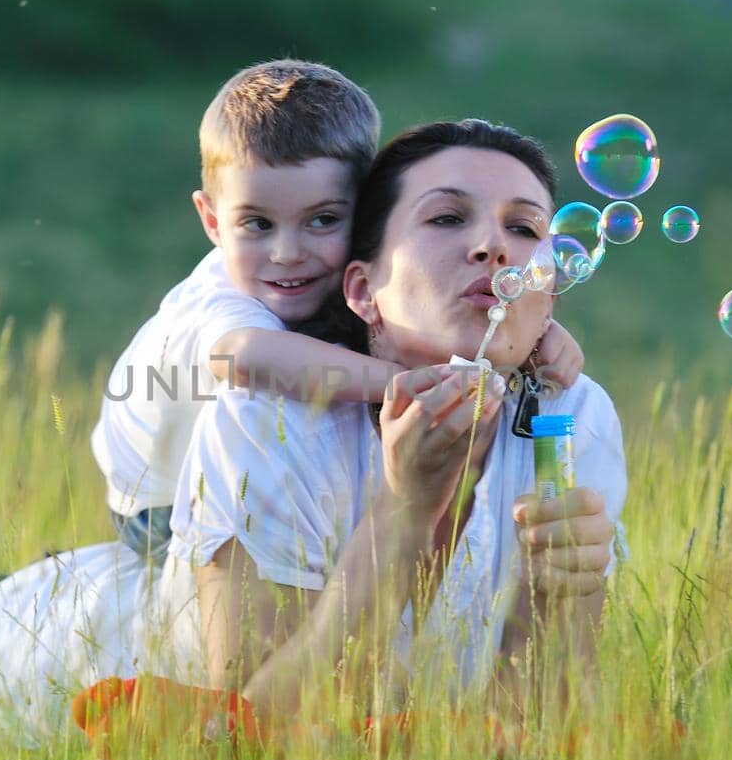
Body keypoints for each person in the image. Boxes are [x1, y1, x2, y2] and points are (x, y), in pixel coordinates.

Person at [0, 120, 625, 745]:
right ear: (364, 288)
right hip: (26, 673)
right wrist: (403, 510)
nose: (492, 249)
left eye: (524, 228)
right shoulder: (267, 418)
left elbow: (541, 740)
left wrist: (566, 595)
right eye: (446, 218)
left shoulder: (572, 418)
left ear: (550, 290)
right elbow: (254, 740)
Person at [90, 61, 584, 566]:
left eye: (323, 220)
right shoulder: (218, 299)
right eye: (257, 224)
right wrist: (410, 382)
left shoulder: (323, 277)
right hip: (155, 506)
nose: (287, 252)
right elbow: (245, 357)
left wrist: (532, 331)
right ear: (213, 220)